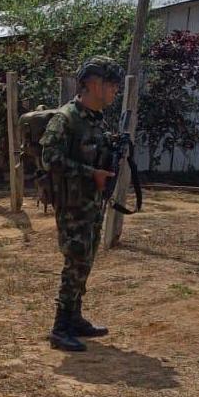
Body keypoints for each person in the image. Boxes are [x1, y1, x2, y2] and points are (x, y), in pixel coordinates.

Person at [40, 55, 123, 352]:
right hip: (72, 204)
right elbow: (49, 159)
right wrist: (91, 173)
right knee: (75, 259)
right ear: (91, 84)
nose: (114, 90)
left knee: (86, 258)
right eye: (110, 84)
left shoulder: (97, 120)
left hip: (91, 203)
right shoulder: (66, 119)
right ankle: (60, 327)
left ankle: (74, 318)